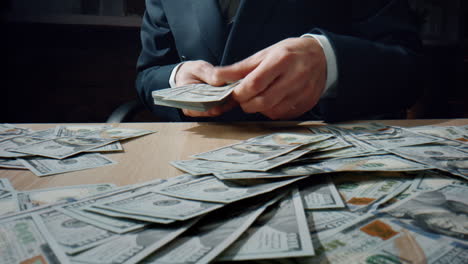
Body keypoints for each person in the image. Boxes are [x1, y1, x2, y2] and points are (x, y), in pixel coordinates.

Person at [136, 0, 422, 122]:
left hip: (320, 165)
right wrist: (176, 77)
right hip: (195, 164)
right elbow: (149, 73)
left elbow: (411, 72)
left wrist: (330, 60)